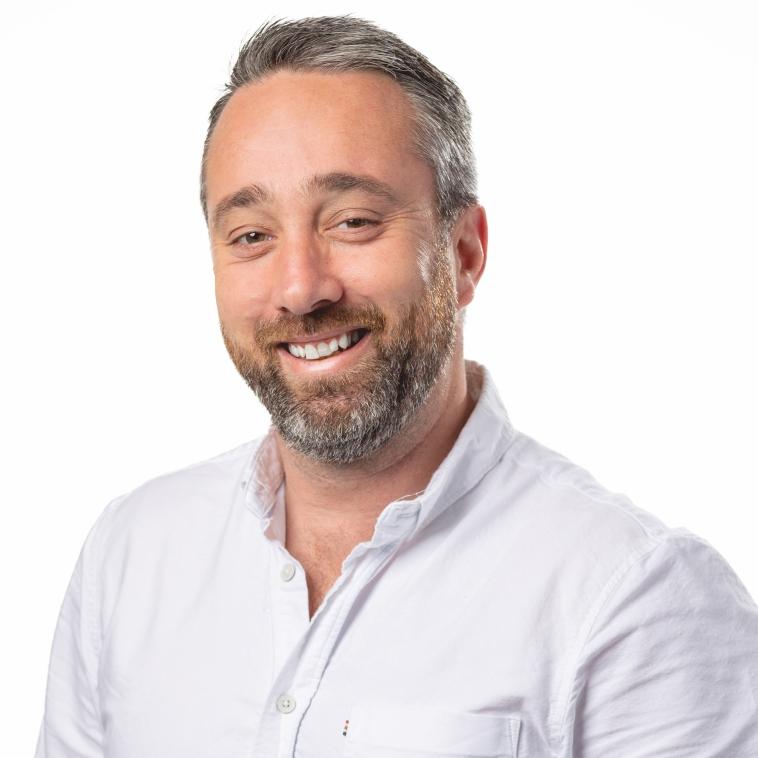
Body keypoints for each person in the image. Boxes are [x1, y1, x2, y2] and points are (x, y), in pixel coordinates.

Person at [35, 15, 758, 758]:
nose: (300, 289)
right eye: (251, 235)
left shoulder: (635, 600)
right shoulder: (130, 555)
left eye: (352, 221)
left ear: (465, 252)